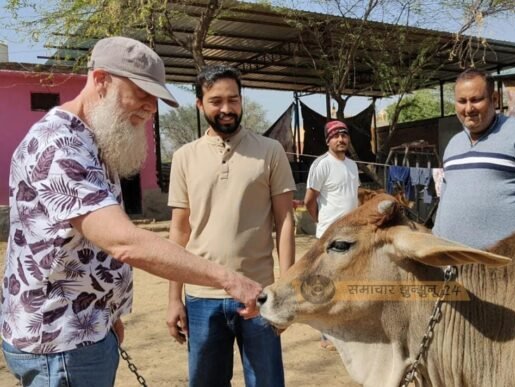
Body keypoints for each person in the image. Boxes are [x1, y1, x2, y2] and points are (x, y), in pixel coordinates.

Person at [0, 37, 262, 387]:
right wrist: (229, 279)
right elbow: (124, 242)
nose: (149, 107)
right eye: (141, 93)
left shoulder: (91, 141)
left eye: (154, 98)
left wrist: (106, 314)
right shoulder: (59, 147)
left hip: (85, 327)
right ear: (101, 80)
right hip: (60, 342)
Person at [165, 65, 295, 387]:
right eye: (216, 101)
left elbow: (286, 221)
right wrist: (173, 298)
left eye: (233, 100)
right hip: (200, 297)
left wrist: (285, 291)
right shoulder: (184, 157)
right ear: (200, 104)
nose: (226, 109)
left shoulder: (270, 152)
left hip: (259, 294)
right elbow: (179, 231)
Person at [433, 68, 515, 250]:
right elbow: (445, 199)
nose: (468, 109)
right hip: (453, 263)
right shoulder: (453, 145)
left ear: (494, 99)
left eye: (476, 100)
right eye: (462, 101)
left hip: (506, 269)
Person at [303, 120, 359, 349]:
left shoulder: (353, 165)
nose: (341, 139)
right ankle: (327, 334)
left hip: (351, 235)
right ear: (328, 140)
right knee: (327, 285)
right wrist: (321, 223)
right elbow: (309, 200)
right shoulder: (321, 165)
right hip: (329, 235)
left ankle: (345, 331)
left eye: (344, 135)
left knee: (348, 282)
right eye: (335, 136)